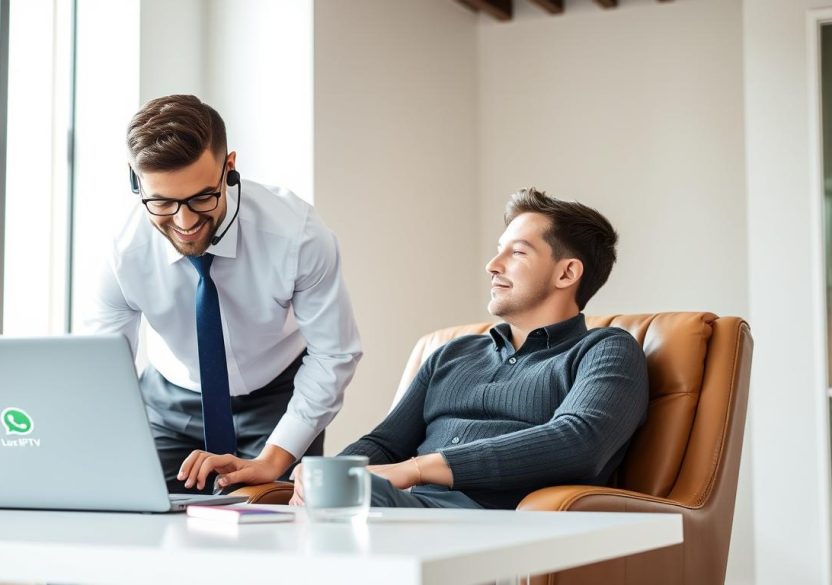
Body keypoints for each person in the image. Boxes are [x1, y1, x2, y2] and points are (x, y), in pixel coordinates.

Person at [290, 188, 649, 509]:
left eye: (518, 252)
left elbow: (579, 443)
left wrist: (416, 469)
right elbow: (385, 444)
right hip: (403, 506)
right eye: (498, 251)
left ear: (567, 273)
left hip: (480, 520)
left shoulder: (606, 350)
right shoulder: (453, 353)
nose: (492, 266)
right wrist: (324, 476)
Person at [87, 95, 362, 494]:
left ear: (228, 168)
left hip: (278, 398)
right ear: (135, 180)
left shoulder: (296, 235)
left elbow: (334, 352)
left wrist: (274, 459)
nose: (184, 222)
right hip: (170, 401)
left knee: (271, 529)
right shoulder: (123, 252)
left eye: (202, 197)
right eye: (162, 202)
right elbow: (103, 369)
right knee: (148, 524)